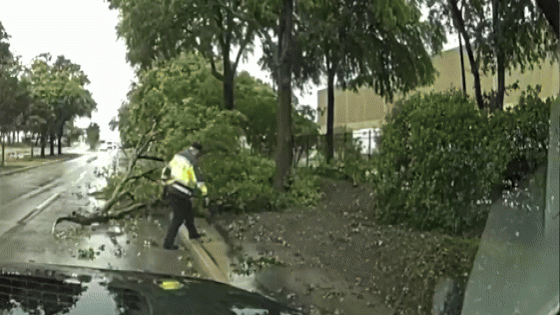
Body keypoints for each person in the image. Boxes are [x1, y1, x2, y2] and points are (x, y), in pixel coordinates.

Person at [160, 141, 208, 250]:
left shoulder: (178, 156)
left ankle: (193, 234)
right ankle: (168, 243)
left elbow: (166, 170)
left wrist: (164, 185)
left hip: (172, 189)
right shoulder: (193, 161)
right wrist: (205, 195)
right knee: (178, 218)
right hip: (182, 192)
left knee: (188, 213)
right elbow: (199, 180)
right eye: (199, 154)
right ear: (196, 151)